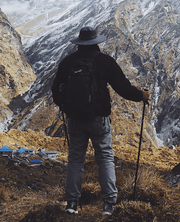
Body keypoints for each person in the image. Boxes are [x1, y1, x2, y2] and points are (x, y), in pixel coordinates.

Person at [52, 26, 150, 216]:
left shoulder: (68, 62)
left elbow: (55, 89)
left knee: (75, 160)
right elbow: (122, 87)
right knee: (105, 158)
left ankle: (72, 203)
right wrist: (141, 96)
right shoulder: (104, 61)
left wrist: (64, 105)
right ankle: (108, 205)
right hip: (98, 119)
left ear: (79, 43)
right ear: (96, 42)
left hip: (75, 120)